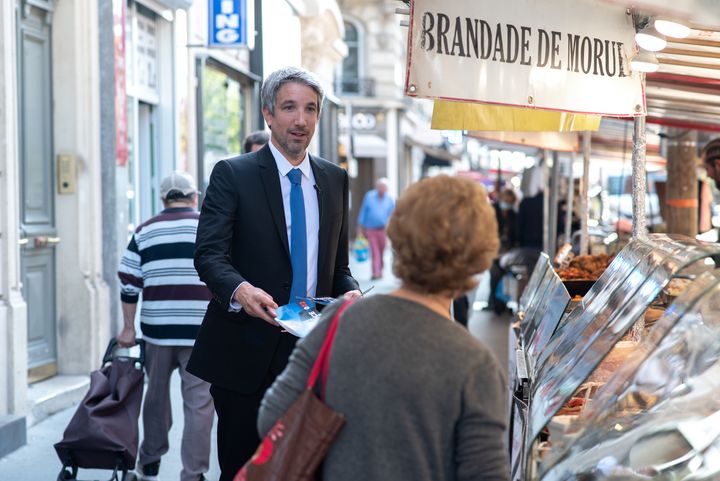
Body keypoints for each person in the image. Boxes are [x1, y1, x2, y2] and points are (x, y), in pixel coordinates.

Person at [259, 175, 509, 481]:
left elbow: (272, 416)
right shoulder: (475, 365)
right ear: (480, 258)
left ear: (398, 235)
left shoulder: (340, 318)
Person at [187, 66, 361, 481]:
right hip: (245, 356)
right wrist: (240, 289)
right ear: (268, 113)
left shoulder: (334, 180)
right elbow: (209, 255)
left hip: (312, 356)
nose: (300, 120)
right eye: (289, 108)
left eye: (310, 109)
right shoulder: (234, 174)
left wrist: (351, 294)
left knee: (309, 467)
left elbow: (337, 268)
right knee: (245, 470)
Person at [117, 172, 213, 481]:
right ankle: (193, 473)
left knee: (155, 398)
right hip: (201, 332)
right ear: (194, 197)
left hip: (157, 332)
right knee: (200, 404)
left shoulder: (145, 231)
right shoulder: (208, 228)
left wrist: (128, 328)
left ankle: (151, 461)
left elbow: (129, 284)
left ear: (163, 200)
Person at [357, 177, 395, 279]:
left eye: (384, 187)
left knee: (382, 251)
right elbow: (363, 212)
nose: (382, 189)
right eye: (380, 186)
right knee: (374, 251)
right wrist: (360, 228)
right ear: (377, 187)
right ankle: (375, 273)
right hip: (371, 229)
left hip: (383, 230)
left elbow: (394, 214)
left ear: (387, 188)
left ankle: (380, 270)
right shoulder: (369, 196)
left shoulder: (390, 199)